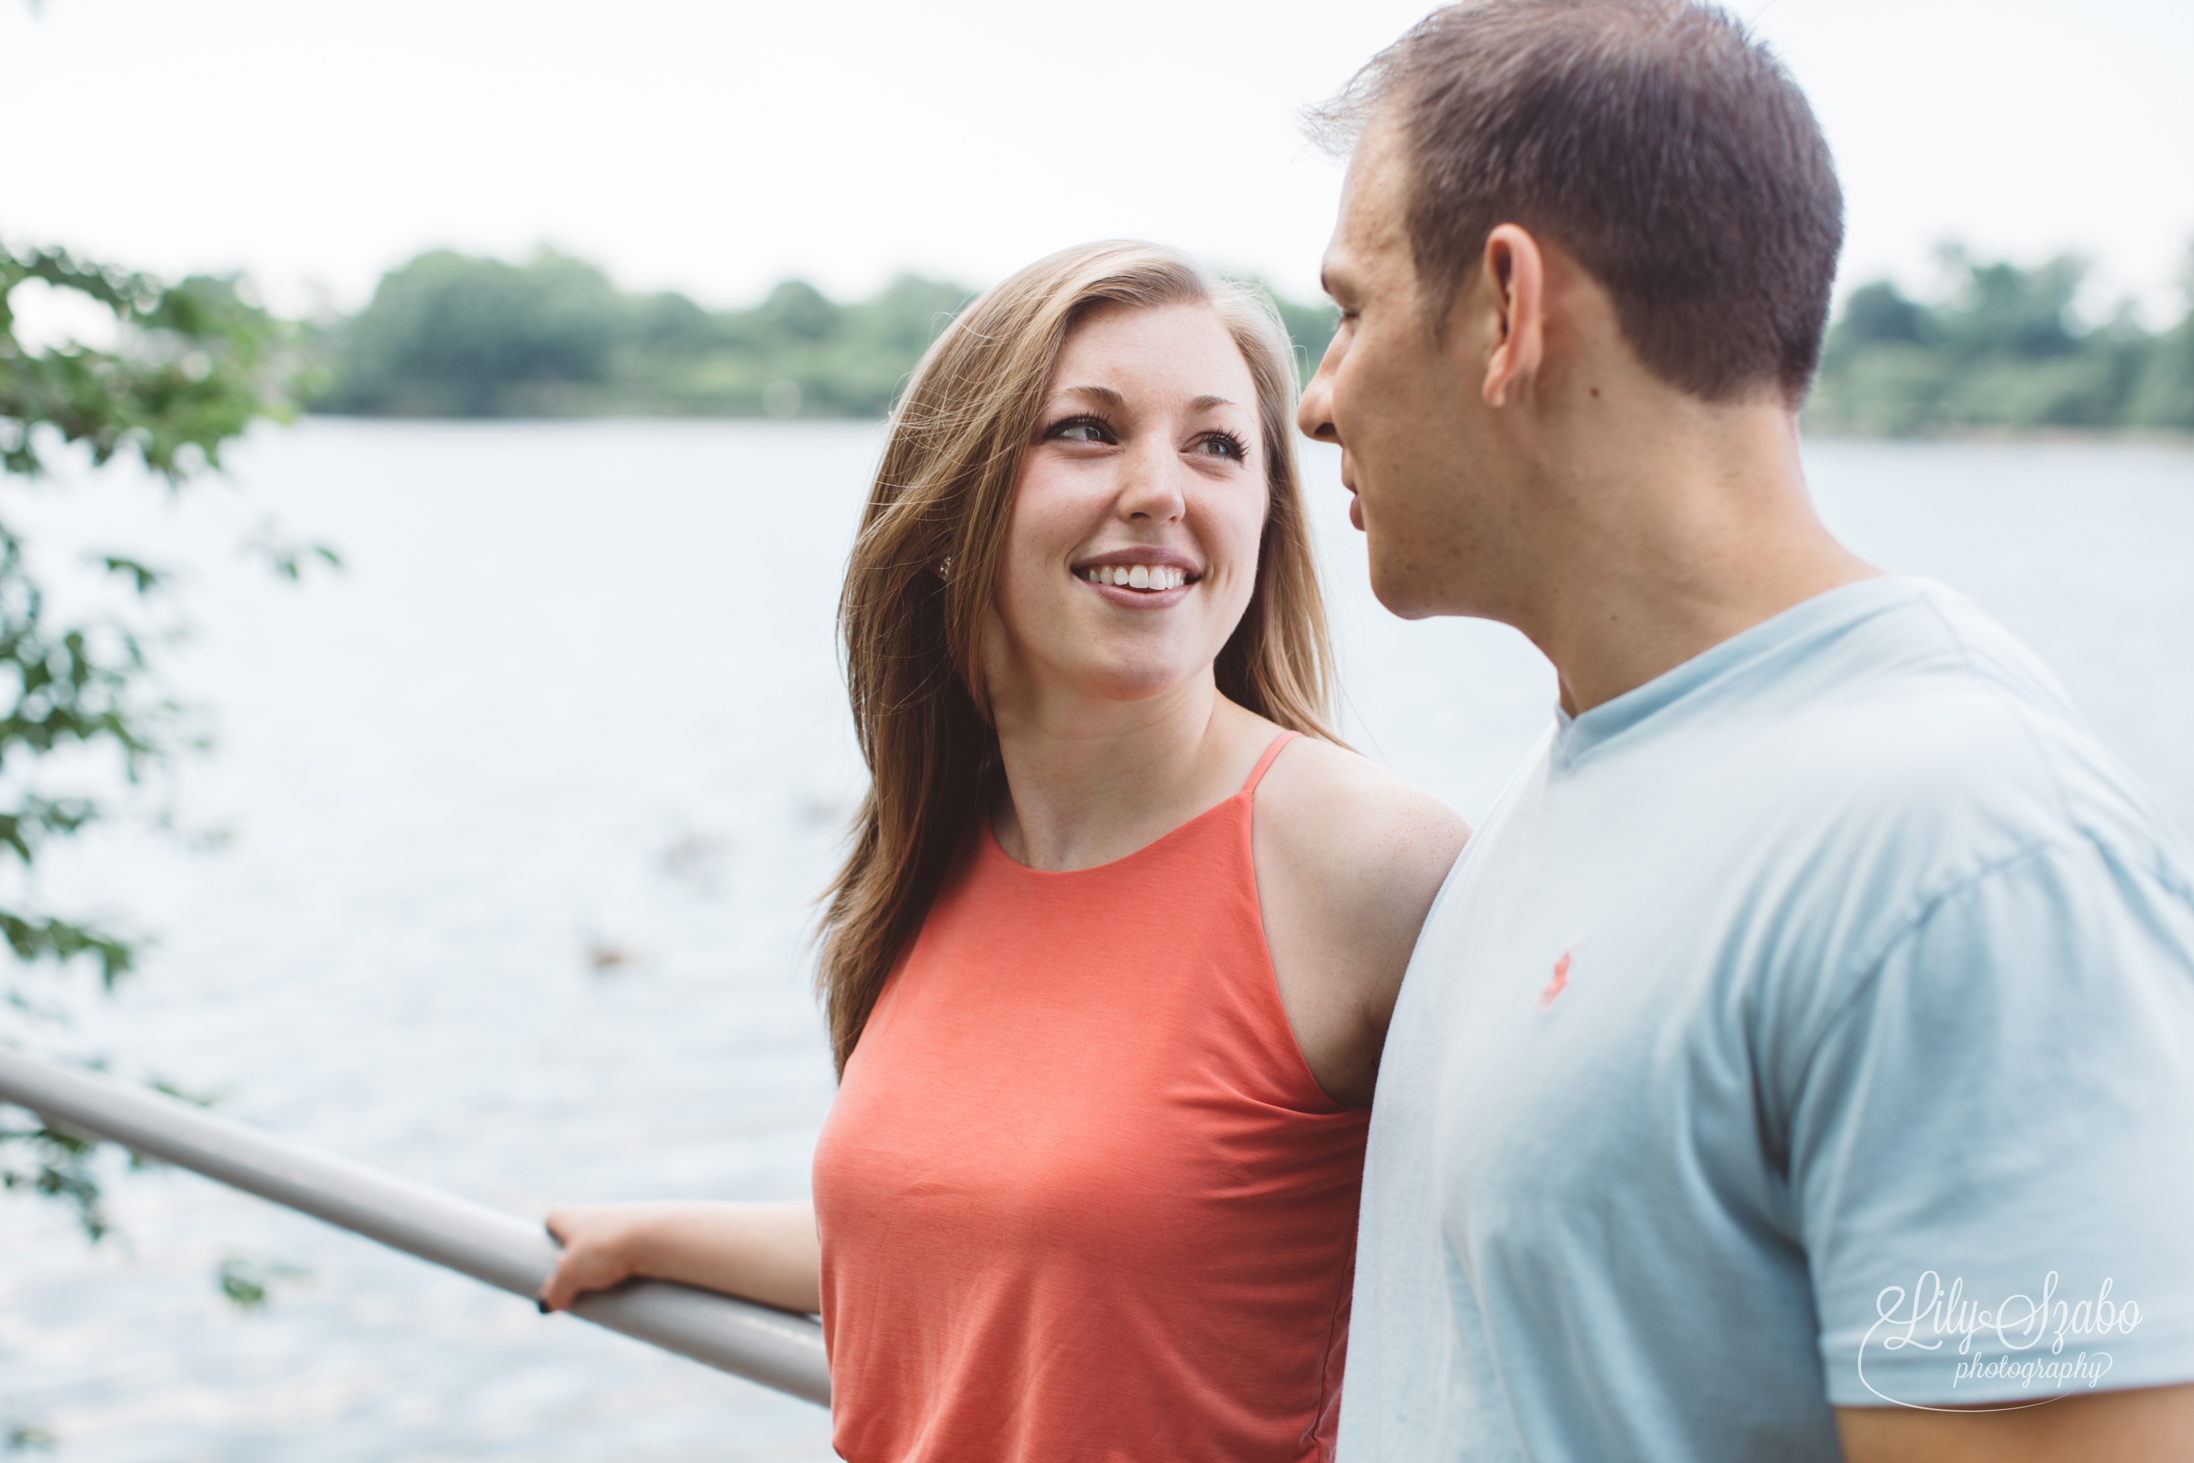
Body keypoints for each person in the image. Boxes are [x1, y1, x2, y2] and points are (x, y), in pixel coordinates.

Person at [1293, 3, 2194, 1460]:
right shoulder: (1577, 772)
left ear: (1507, 309)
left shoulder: (1962, 851)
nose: (1315, 399)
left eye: (1348, 309)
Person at [538, 240, 1466, 1462]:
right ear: (958, 489)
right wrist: (656, 1235)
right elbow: (986, 1231)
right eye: (1087, 430)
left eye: (1215, 444)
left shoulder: (1369, 862)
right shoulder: (936, 843)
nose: (1160, 490)